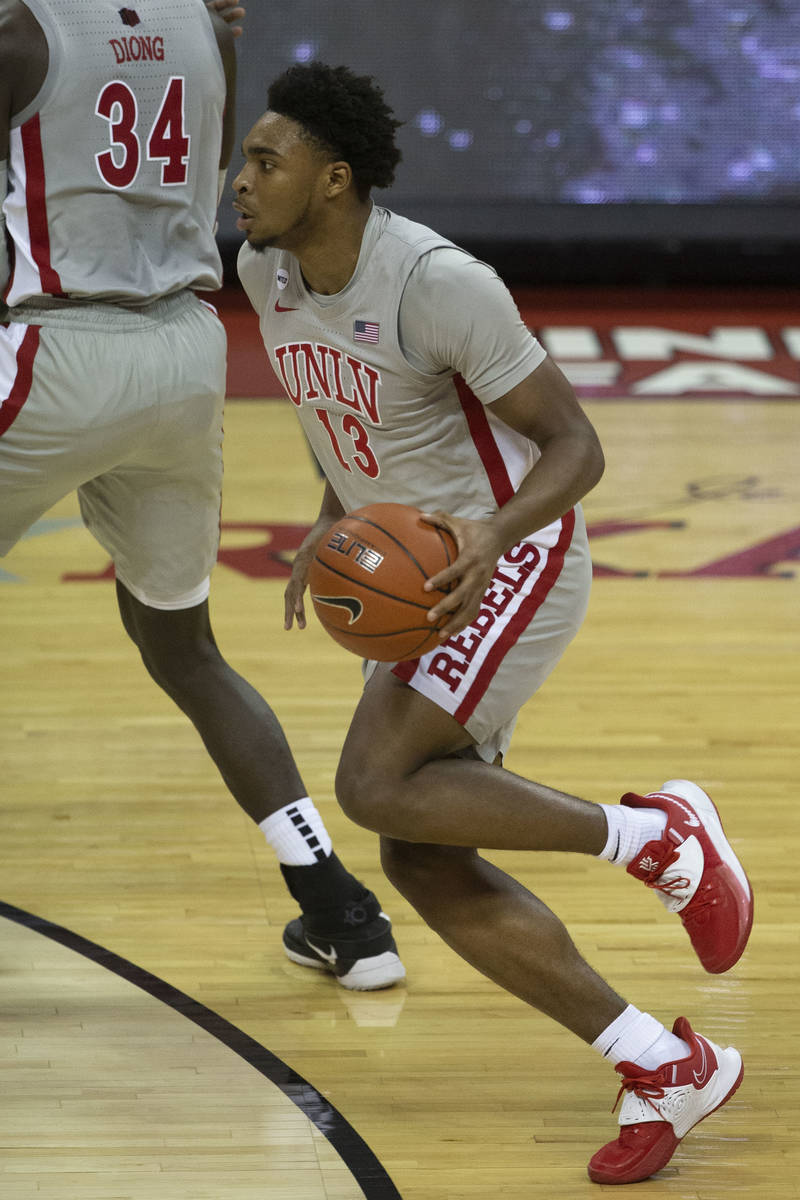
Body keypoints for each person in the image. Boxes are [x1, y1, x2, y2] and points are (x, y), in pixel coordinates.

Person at [234, 61, 754, 1184]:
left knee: (373, 780)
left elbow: (576, 445)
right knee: (419, 854)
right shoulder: (263, 270)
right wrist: (331, 529)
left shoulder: (435, 280)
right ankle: (662, 1064)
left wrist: (487, 534)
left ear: (332, 181)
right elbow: (346, 423)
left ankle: (658, 840)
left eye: (264, 161)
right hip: (421, 565)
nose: (241, 180)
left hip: (505, 553)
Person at [0, 2, 405, 992]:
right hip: (180, 351)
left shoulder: (22, 36)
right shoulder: (205, 23)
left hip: (54, 345)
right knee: (182, 646)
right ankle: (339, 911)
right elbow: (223, 168)